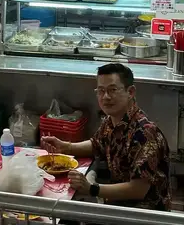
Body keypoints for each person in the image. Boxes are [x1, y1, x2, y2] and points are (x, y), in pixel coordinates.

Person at [42, 63, 171, 212]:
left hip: (144, 214)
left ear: (131, 92)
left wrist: (92, 189)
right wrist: (66, 147)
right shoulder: (111, 121)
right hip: (119, 206)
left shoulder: (144, 133)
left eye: (112, 90)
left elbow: (138, 189)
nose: (106, 97)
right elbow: (97, 144)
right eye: (101, 91)